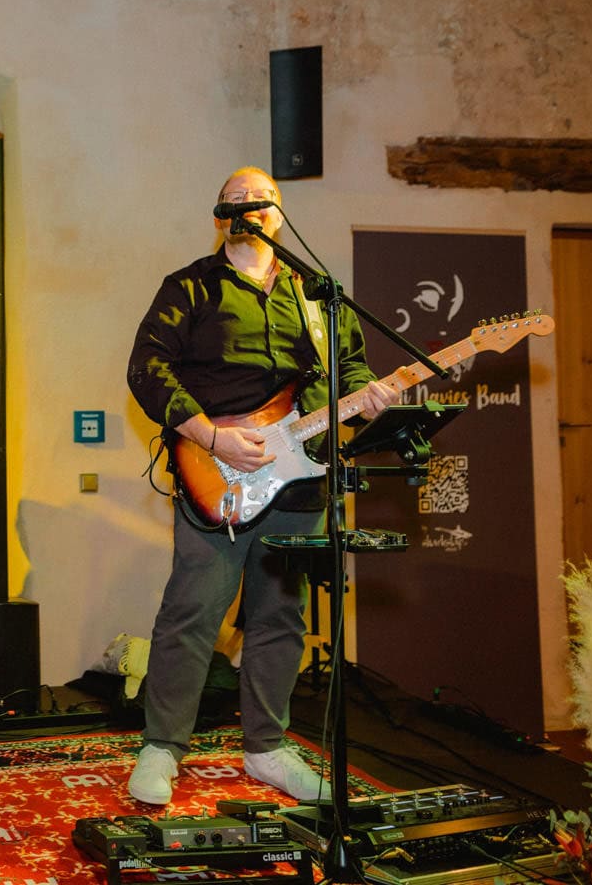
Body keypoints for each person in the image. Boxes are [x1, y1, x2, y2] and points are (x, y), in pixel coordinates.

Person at [125, 166, 397, 806]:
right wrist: (212, 437)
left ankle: (267, 749)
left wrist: (371, 397)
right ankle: (162, 748)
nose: (251, 207)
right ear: (221, 215)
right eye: (238, 200)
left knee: (281, 616)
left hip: (298, 476)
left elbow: (350, 368)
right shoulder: (190, 286)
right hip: (214, 470)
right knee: (192, 612)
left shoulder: (316, 294)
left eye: (263, 199)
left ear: (279, 212)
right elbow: (147, 368)